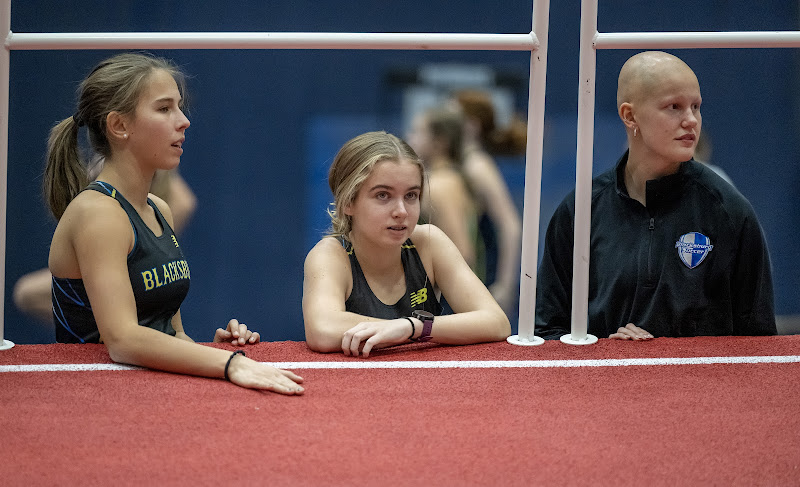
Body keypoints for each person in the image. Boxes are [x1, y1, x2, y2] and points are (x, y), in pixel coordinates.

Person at [45, 52, 304, 394]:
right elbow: (122, 340)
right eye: (164, 108)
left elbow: (172, 332)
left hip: (149, 391)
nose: (183, 121)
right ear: (119, 126)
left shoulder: (159, 209)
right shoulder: (99, 214)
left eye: (179, 107)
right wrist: (229, 363)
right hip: (96, 397)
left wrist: (211, 350)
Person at [535, 51, 776, 340]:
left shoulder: (729, 211)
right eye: (674, 107)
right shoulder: (581, 211)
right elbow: (547, 331)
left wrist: (661, 354)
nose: (691, 120)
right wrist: (605, 351)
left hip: (701, 372)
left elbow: (758, 343)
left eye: (696, 107)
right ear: (630, 115)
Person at [303, 131, 510, 358]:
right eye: (383, 195)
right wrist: (401, 328)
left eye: (411, 195)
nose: (401, 211)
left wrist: (413, 327)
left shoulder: (429, 242)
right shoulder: (330, 255)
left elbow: (497, 322)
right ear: (348, 202)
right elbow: (323, 330)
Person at [13, 168, 197, 325]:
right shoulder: (99, 187)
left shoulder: (168, 205)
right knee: (26, 293)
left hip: (134, 278)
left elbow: (183, 205)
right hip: (103, 274)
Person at [453, 90, 525, 314]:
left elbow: (510, 225)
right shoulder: (461, 163)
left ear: (471, 125)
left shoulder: (477, 166)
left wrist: (505, 285)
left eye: (451, 119)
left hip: (483, 273)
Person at [406, 107, 478, 270]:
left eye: (417, 132)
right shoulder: (449, 177)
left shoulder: (440, 185)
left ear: (440, 142)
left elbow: (462, 253)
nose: (410, 138)